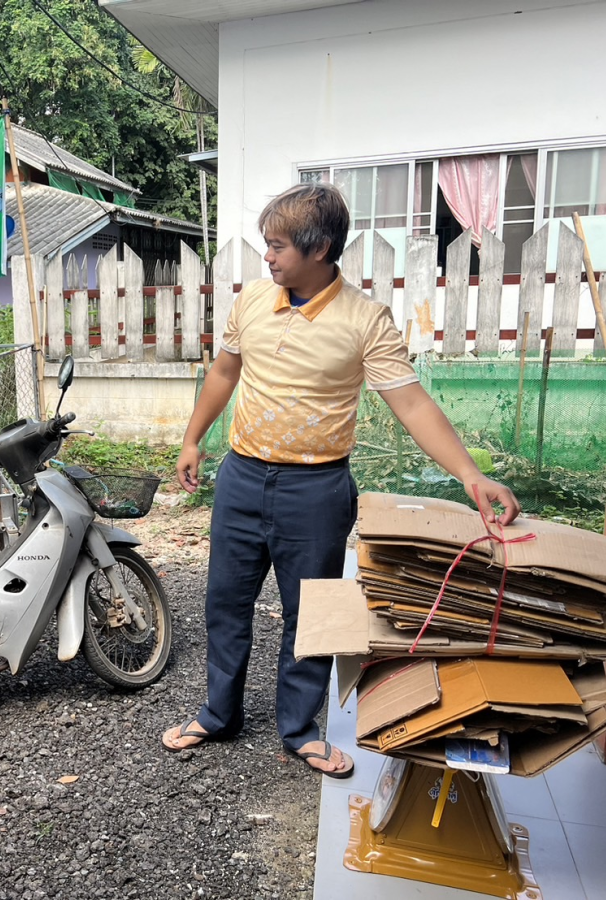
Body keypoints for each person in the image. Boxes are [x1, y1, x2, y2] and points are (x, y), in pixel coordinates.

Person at [160, 183, 520, 776]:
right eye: (266, 245)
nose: (268, 257)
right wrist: (194, 437)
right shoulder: (252, 299)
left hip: (317, 490)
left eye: (277, 247)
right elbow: (225, 371)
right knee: (225, 603)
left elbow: (412, 404)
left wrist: (470, 475)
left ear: (320, 247)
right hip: (242, 477)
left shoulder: (365, 319)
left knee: (314, 614)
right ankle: (218, 713)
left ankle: (298, 729)